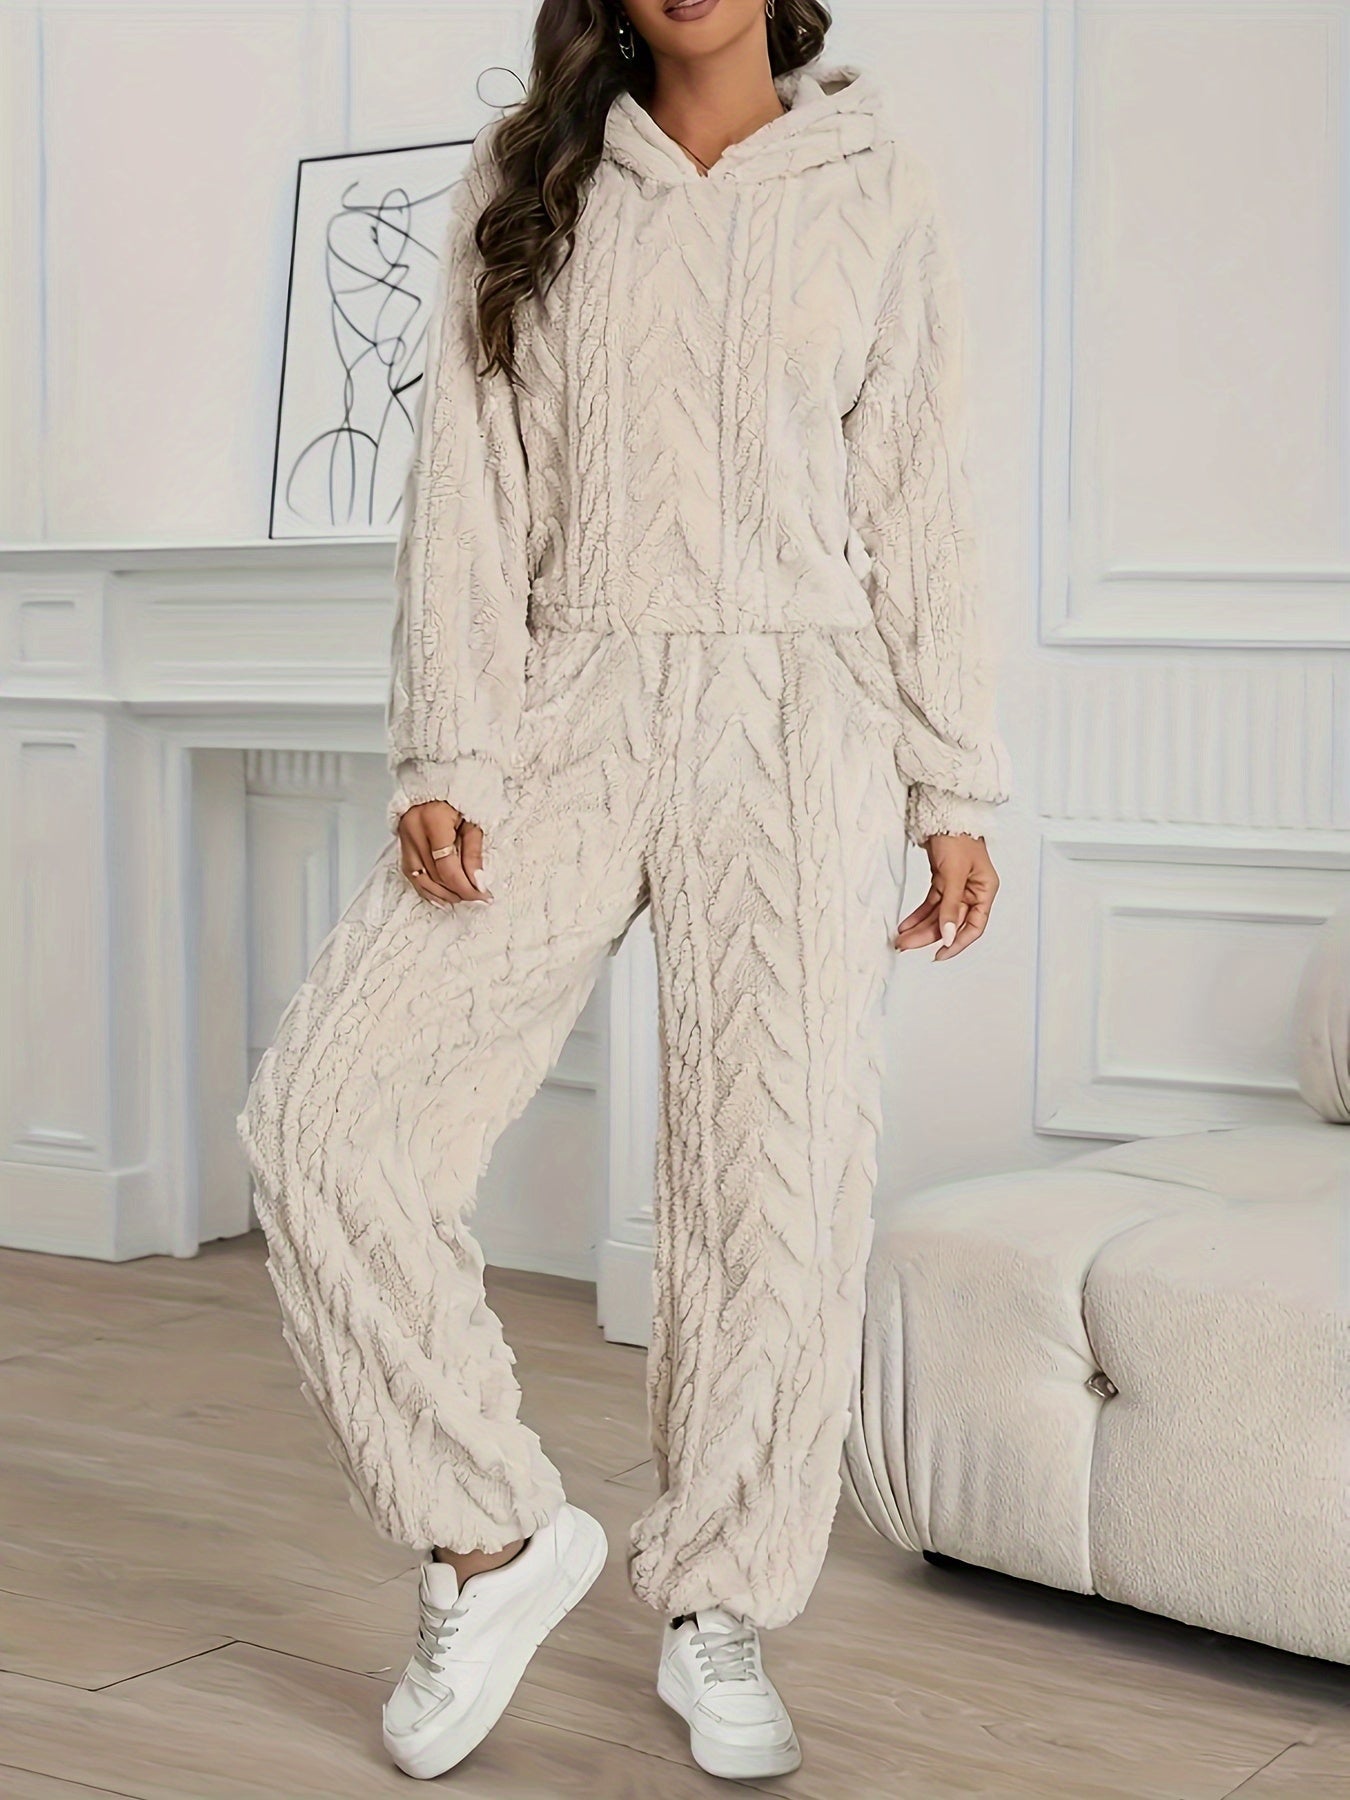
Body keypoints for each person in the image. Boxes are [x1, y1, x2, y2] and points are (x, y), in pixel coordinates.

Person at [237, 0, 1012, 1782]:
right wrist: (447, 745)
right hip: (562, 696)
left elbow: (922, 493)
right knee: (329, 1120)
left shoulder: (874, 182)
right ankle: (489, 1539)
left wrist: (953, 780)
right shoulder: (534, 179)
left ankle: (720, 1602)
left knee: (772, 1192)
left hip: (801, 717)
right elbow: (468, 481)